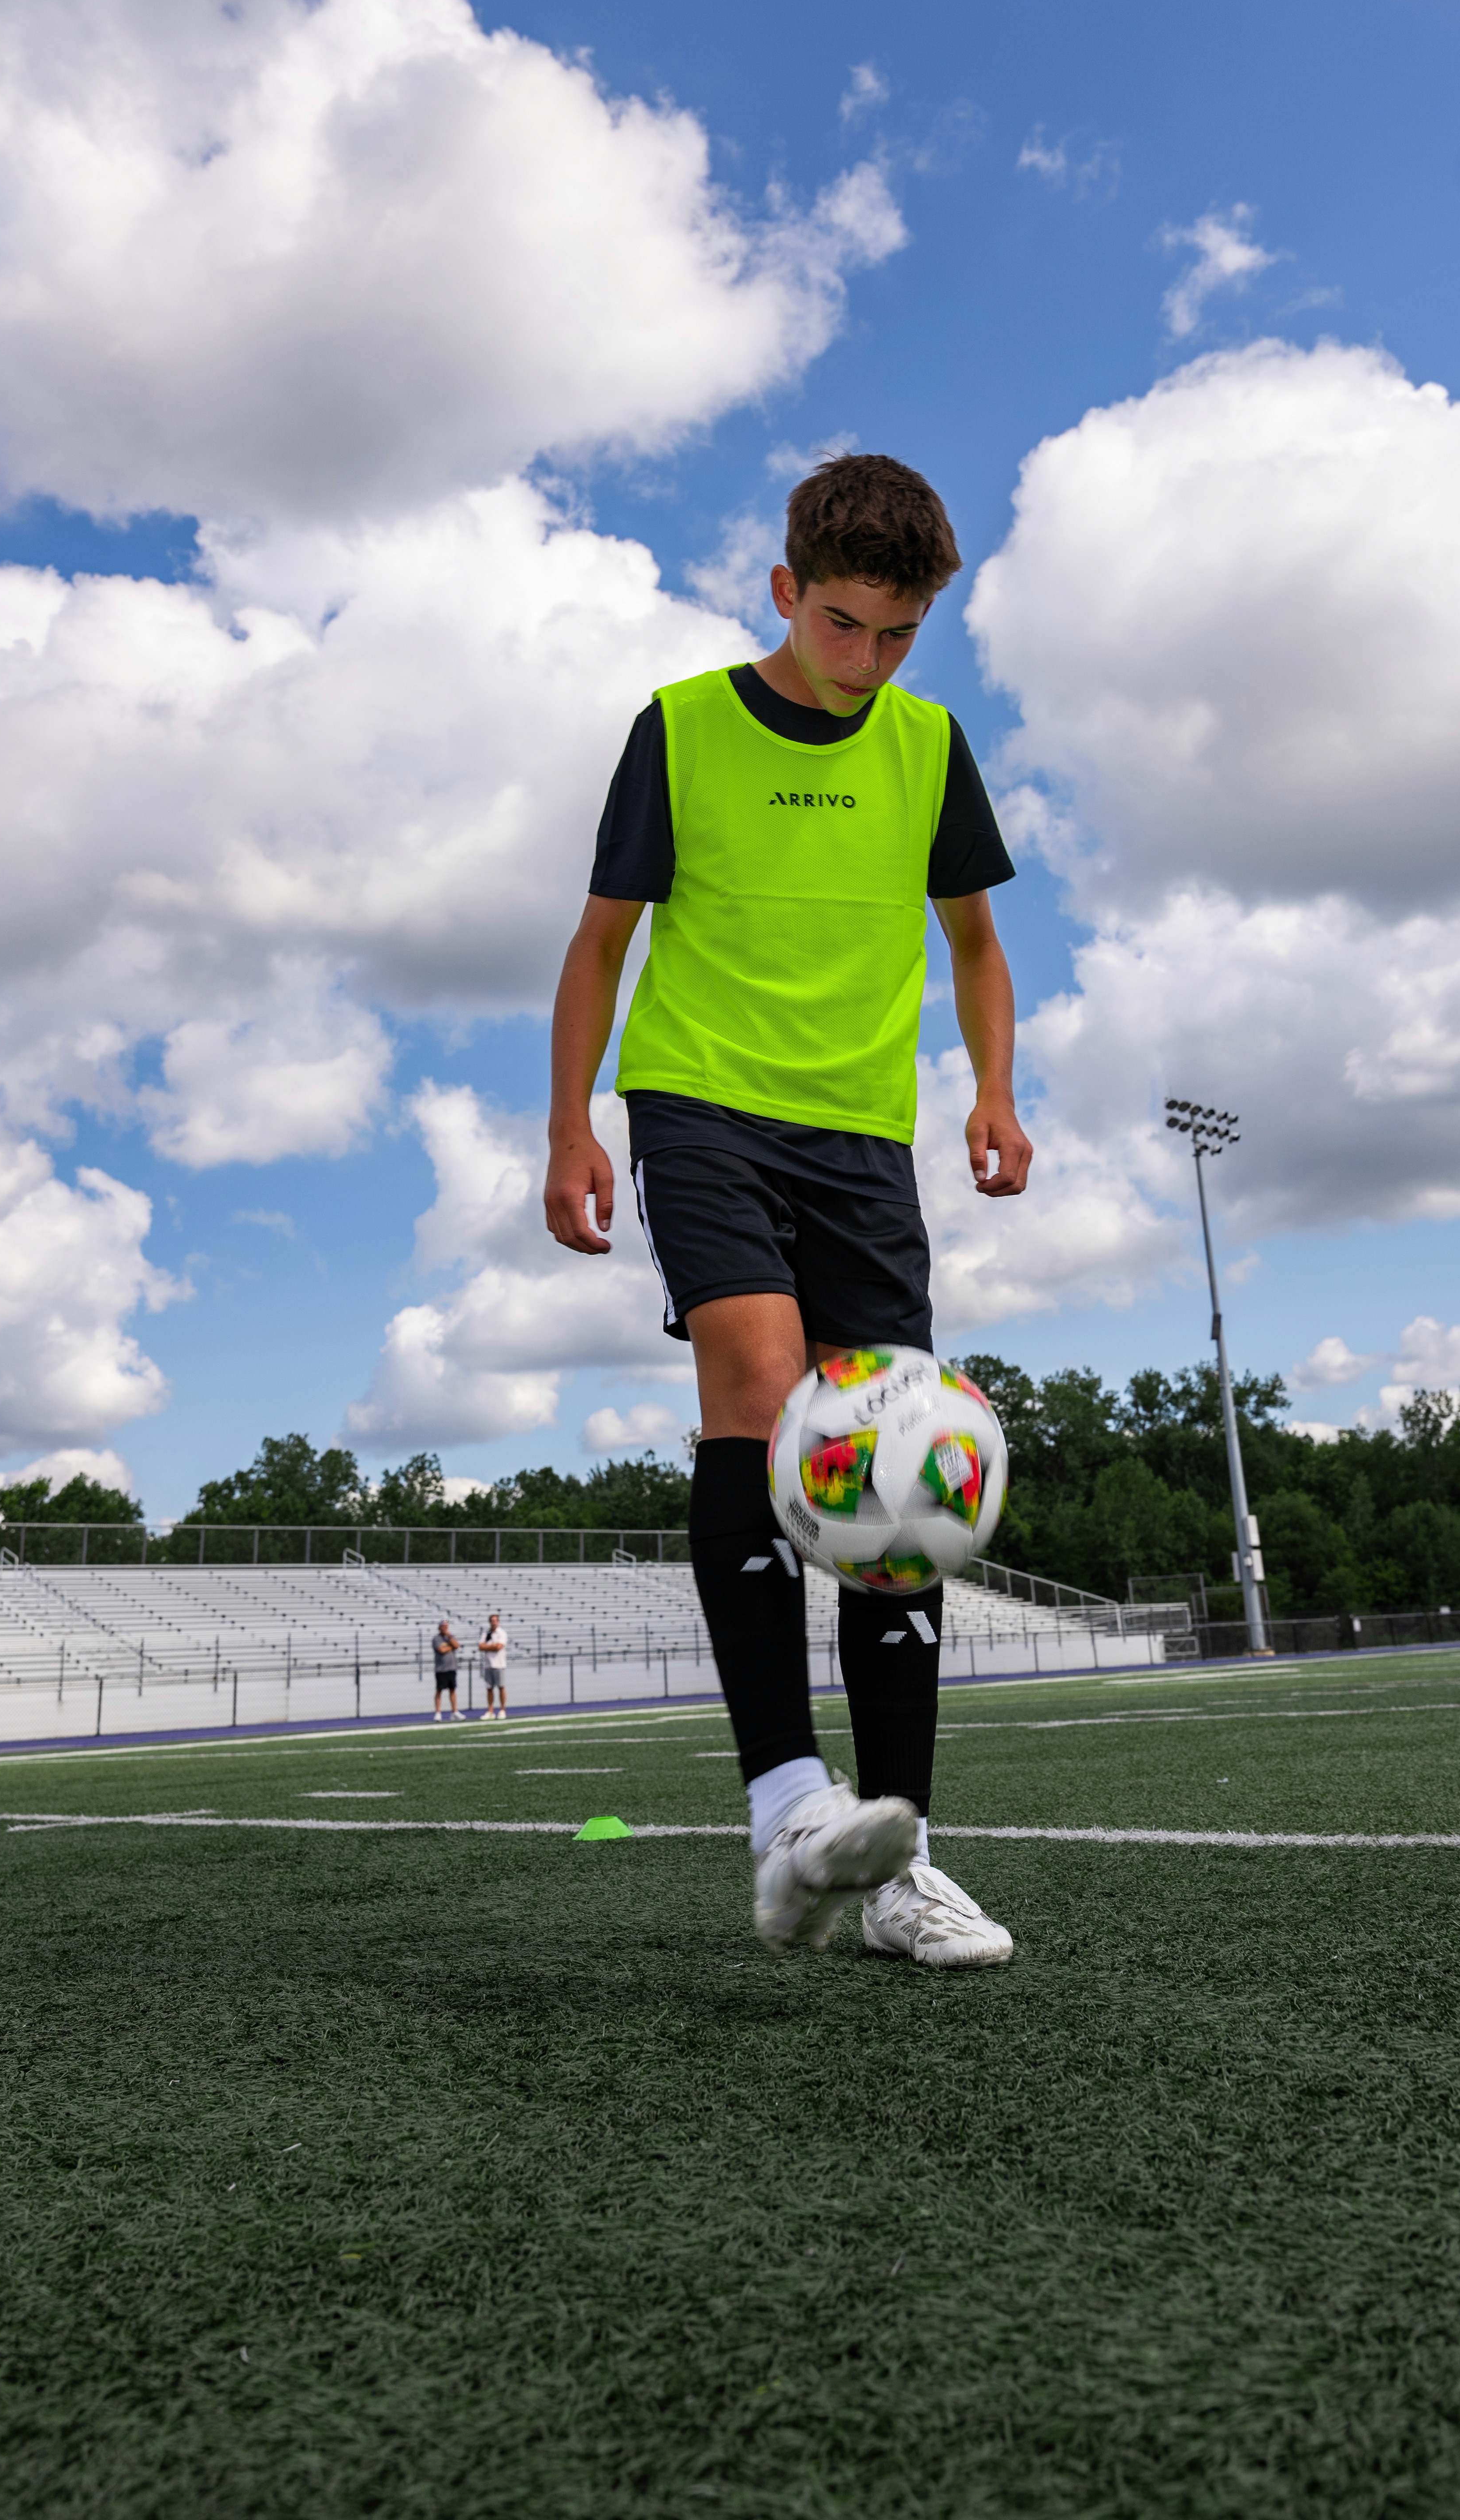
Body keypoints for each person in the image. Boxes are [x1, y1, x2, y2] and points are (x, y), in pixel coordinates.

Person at [544, 452, 1031, 1968]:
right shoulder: (681, 726)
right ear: (784, 593)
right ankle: (784, 1808)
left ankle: (897, 1866)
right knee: (758, 1386)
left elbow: (979, 946)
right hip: (699, 1101)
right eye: (841, 626)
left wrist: (994, 1092)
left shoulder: (931, 745)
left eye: (897, 636)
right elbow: (599, 945)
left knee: (900, 1472)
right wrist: (569, 1121)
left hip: (862, 1139)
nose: (865, 662)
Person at [479, 1610, 509, 1719]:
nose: (494, 1623)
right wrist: (492, 1647)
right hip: (488, 1665)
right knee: (489, 1688)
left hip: (499, 1665)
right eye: (492, 1621)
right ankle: (491, 1711)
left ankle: (502, 1710)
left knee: (501, 1687)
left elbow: (499, 1647)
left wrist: (488, 1647)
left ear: (498, 1622)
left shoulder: (502, 1633)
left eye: (495, 1621)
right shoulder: (487, 1634)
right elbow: (481, 1647)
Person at [431, 1618, 461, 1719]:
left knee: (453, 1690)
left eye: (446, 1627)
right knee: (439, 1690)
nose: (445, 1628)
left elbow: (457, 1645)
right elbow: (442, 1650)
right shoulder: (437, 1639)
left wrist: (450, 1638)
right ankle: (438, 1713)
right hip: (441, 1669)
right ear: (440, 1628)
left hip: (451, 1668)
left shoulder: (450, 1638)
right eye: (443, 1627)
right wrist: (452, 1647)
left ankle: (455, 1712)